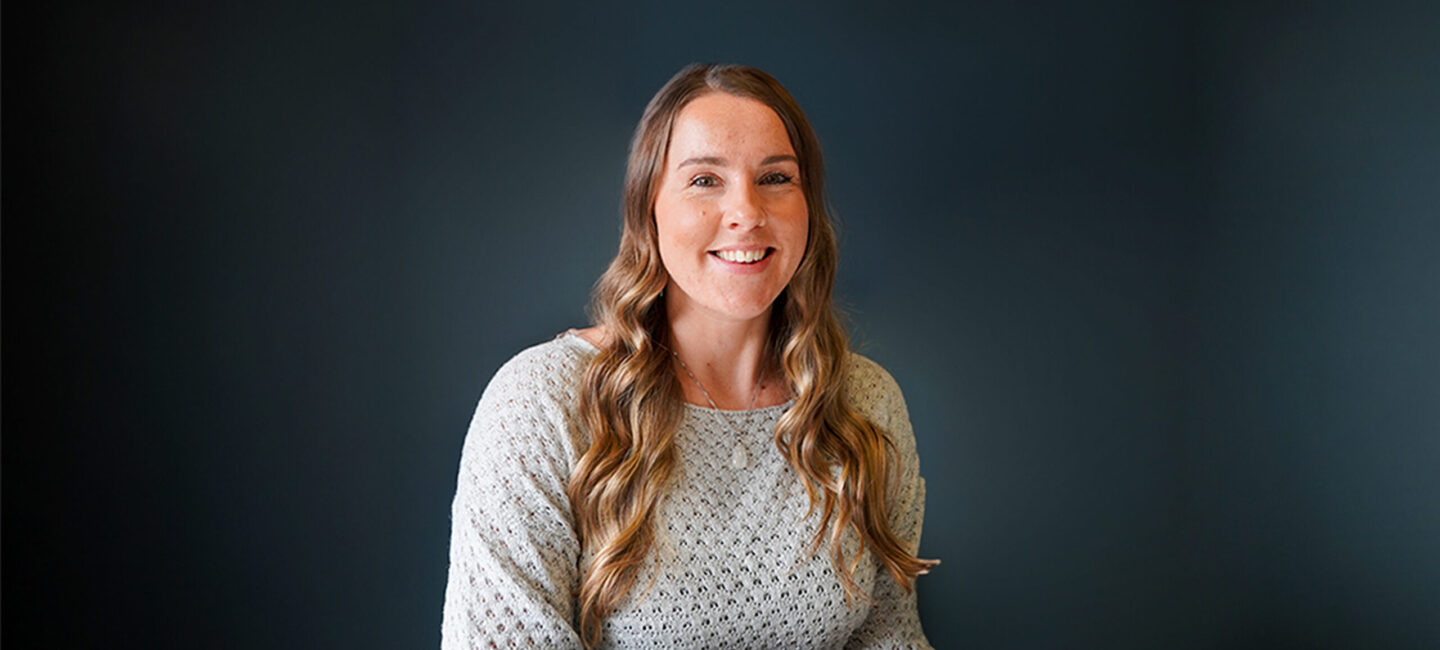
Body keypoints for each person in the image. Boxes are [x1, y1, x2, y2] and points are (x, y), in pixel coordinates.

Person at [441, 63, 937, 649]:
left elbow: (890, 637)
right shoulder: (540, 403)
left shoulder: (865, 404)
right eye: (705, 180)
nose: (747, 213)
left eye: (776, 178)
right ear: (649, 207)